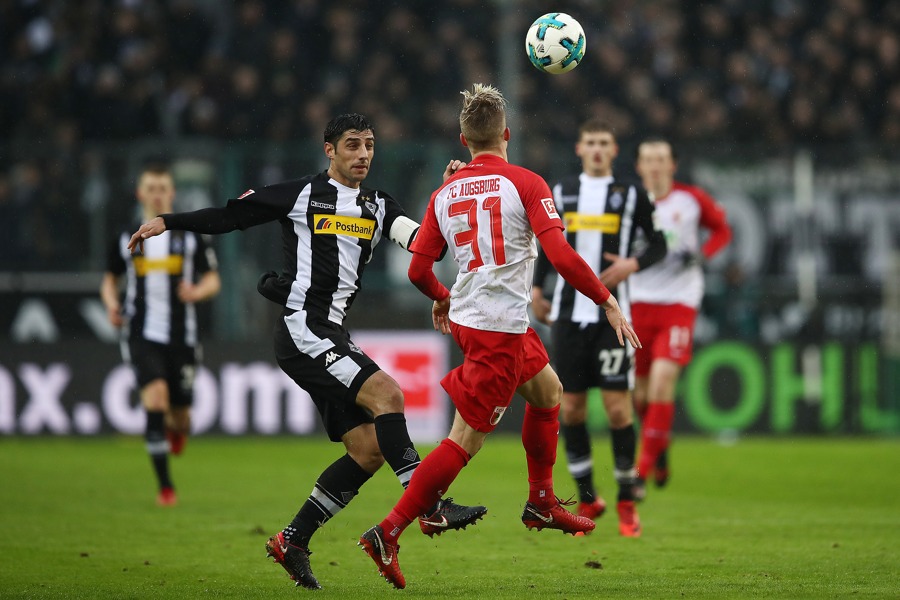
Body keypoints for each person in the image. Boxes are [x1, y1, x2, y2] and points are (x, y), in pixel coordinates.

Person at [127, 114, 485, 590]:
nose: (363, 155)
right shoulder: (300, 194)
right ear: (329, 151)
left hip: (331, 330)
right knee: (389, 396)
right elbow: (233, 217)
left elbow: (423, 245)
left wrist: (442, 201)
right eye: (352, 145)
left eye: (370, 145)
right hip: (302, 327)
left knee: (368, 450)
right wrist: (168, 221)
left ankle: (292, 540)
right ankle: (430, 505)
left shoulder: (378, 205)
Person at [358, 84, 640, 590]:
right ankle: (389, 530)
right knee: (465, 438)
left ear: (462, 140)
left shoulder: (444, 191)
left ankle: (541, 502)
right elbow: (561, 257)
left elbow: (418, 271)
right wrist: (607, 299)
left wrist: (442, 297)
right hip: (496, 329)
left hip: (484, 318)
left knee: (548, 392)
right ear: (506, 135)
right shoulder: (526, 183)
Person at [531, 119, 667, 537]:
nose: (595, 149)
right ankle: (588, 495)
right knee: (570, 408)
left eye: (603, 143)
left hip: (613, 318)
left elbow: (659, 242)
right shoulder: (561, 190)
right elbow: (545, 242)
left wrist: (632, 264)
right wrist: (537, 287)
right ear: (578, 148)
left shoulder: (630, 194)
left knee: (617, 409)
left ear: (613, 150)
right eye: (589, 142)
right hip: (570, 318)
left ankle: (627, 500)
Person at [100, 164, 222, 507]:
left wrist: (196, 292)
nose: (157, 193)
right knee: (155, 399)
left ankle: (176, 430)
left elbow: (213, 279)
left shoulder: (189, 236)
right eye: (150, 188)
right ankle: (166, 487)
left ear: (171, 194)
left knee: (181, 416)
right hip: (141, 331)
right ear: (141, 194)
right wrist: (111, 305)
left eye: (163, 188)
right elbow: (109, 281)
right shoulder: (125, 235)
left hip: (182, 336)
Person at [630, 138, 732, 499]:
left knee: (661, 383)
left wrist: (703, 255)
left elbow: (723, 229)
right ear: (639, 166)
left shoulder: (690, 199)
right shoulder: (629, 202)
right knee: (639, 396)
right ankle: (660, 447)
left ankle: (639, 474)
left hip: (679, 302)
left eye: (661, 159)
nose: (655, 166)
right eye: (648, 159)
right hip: (637, 302)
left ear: (672, 165)